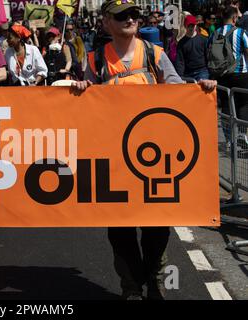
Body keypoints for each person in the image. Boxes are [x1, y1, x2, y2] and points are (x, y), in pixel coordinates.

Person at [74, 0, 217, 300]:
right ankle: (131, 288)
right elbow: (82, 103)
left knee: (157, 227)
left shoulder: (155, 54)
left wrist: (199, 90)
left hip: (152, 159)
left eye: (134, 15)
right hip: (112, 159)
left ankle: (154, 275)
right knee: (120, 230)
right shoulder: (96, 58)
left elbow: (179, 93)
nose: (130, 19)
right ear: (106, 23)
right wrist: (80, 89)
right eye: (122, 15)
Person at [175, 15, 210, 81]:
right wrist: (180, 76)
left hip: (202, 71)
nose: (191, 28)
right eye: (189, 26)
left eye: (193, 26)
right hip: (188, 73)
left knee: (202, 88)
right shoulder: (181, 43)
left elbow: (208, 55)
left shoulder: (203, 39)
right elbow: (180, 61)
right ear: (185, 26)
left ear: (196, 26)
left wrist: (210, 70)